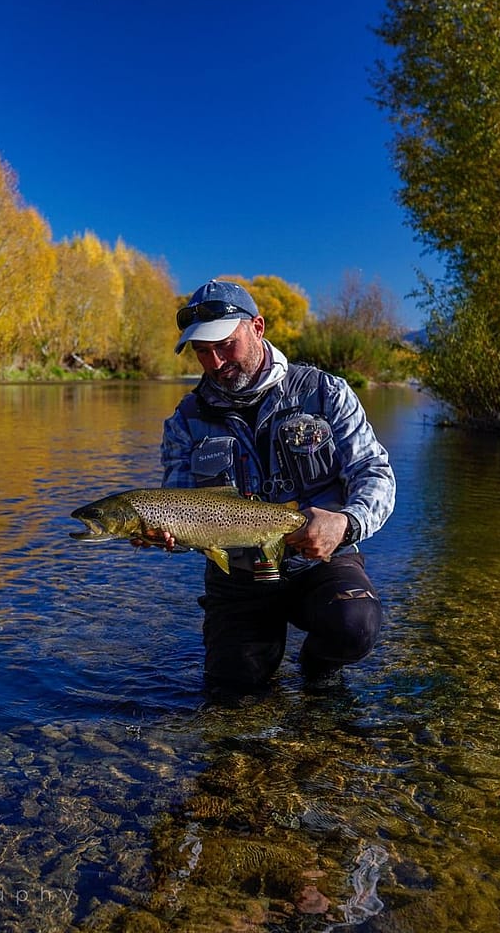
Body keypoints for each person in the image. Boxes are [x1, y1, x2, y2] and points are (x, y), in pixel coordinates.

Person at [148, 278, 395, 692]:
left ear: (257, 328)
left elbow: (374, 472)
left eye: (224, 344)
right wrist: (163, 533)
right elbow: (179, 501)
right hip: (239, 578)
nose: (214, 362)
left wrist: (345, 524)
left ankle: (317, 668)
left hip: (320, 564)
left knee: (354, 626)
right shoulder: (185, 421)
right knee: (231, 696)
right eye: (201, 351)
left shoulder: (325, 393)